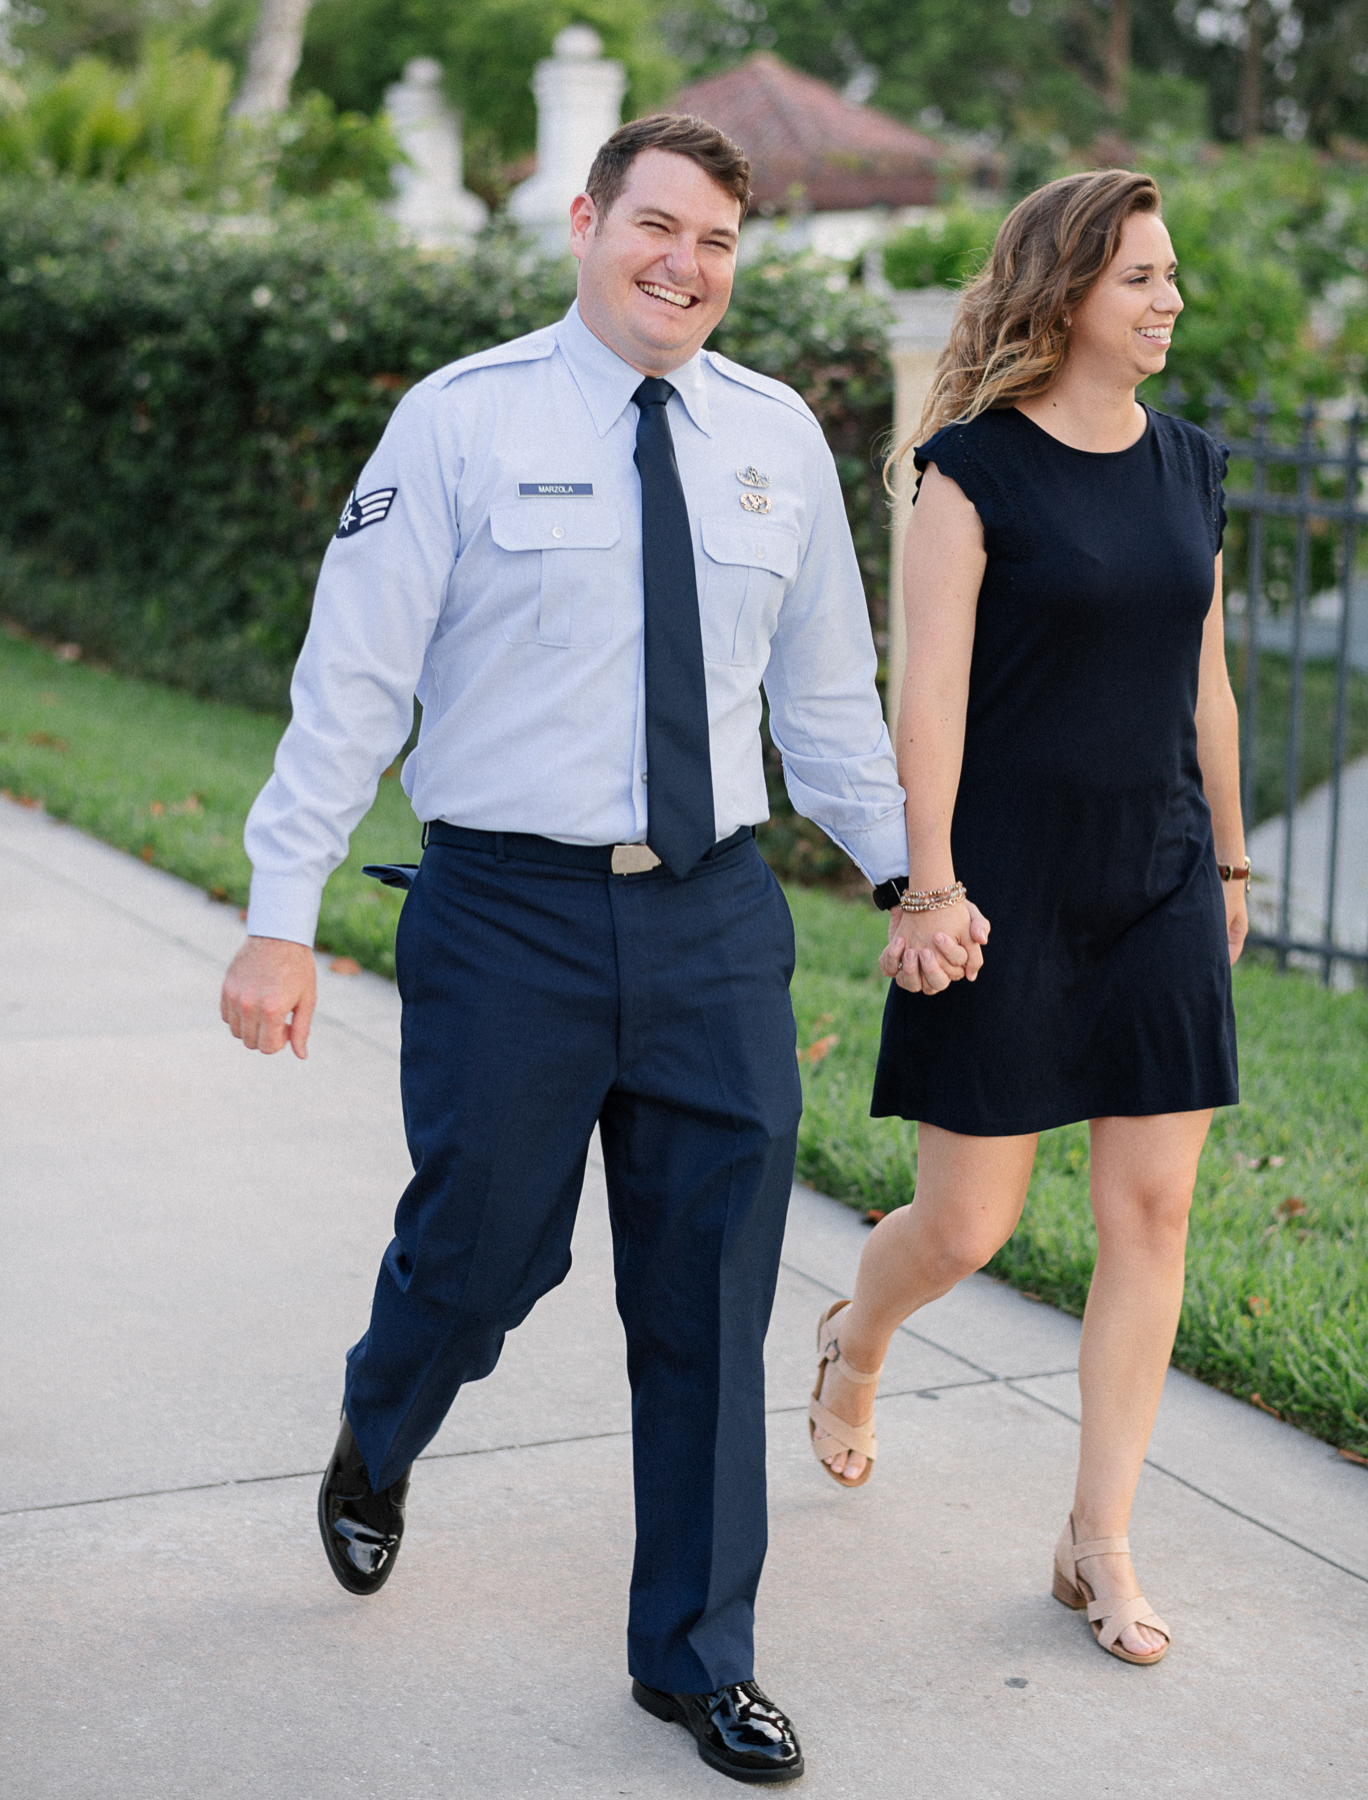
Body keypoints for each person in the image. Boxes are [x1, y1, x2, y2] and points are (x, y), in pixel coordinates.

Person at [220, 113, 978, 1785]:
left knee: (708, 1289)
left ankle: (696, 1660)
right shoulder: (463, 421)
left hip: (712, 917)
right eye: (655, 226)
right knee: (488, 1251)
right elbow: (351, 686)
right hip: (507, 915)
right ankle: (382, 1427)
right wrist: (281, 920)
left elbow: (830, 713)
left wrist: (916, 878)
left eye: (715, 241)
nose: (682, 265)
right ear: (585, 222)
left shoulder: (774, 437)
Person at [805, 170, 1248, 1668]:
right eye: (1142, 277)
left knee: (1152, 1214)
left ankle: (1096, 1541)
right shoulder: (969, 470)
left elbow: (1208, 687)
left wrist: (1234, 868)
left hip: (1162, 878)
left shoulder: (1190, 463)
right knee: (968, 1225)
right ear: (1067, 295)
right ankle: (856, 1337)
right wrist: (927, 885)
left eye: (1171, 275)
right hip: (1002, 887)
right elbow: (921, 697)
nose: (1170, 298)